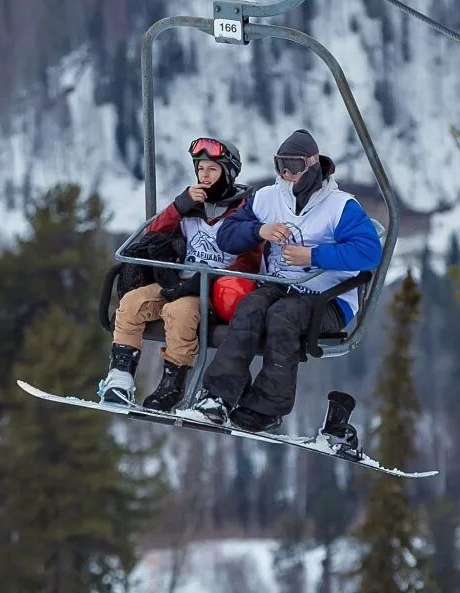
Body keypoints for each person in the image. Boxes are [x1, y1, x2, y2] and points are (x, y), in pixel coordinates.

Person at [194, 129, 383, 434]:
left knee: (283, 317)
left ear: (311, 165)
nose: (286, 173)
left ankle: (268, 407)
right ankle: (218, 396)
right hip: (278, 287)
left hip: (327, 300)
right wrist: (259, 231)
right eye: (281, 164)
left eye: (293, 166)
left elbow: (369, 252)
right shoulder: (269, 198)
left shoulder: (340, 206)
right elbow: (227, 235)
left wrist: (314, 255)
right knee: (251, 306)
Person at [99, 137, 261, 411]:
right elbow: (151, 237)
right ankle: (120, 377)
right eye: (200, 170)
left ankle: (171, 385)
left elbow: (251, 261)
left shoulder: (244, 212)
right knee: (132, 303)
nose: (205, 175)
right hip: (177, 279)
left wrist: (211, 278)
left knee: (180, 314)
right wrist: (178, 207)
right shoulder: (189, 208)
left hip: (213, 290)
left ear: (228, 172)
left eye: (212, 169)